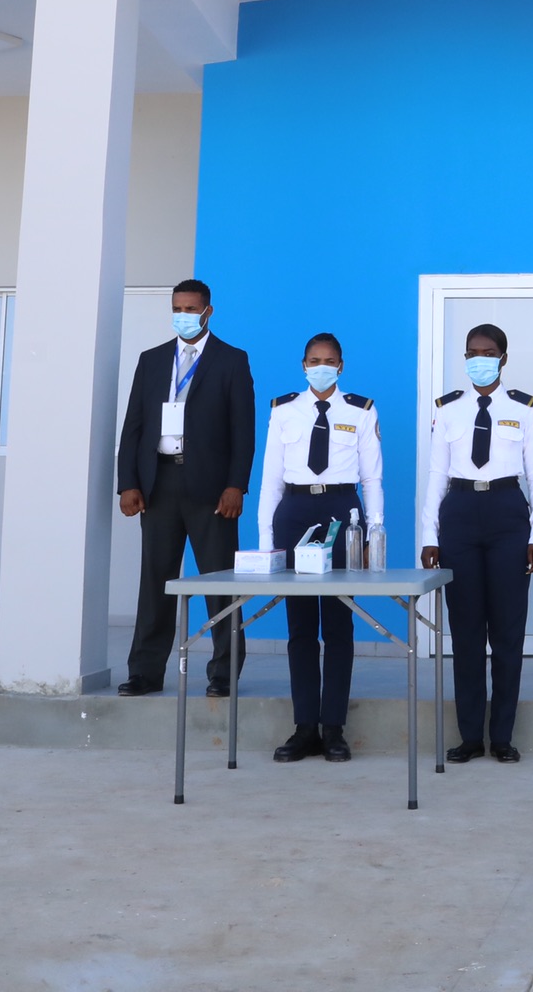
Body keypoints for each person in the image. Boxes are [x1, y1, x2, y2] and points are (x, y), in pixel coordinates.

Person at [116, 279, 255, 698]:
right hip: (158, 483)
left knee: (220, 583)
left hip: (212, 491)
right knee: (155, 582)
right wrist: (128, 483)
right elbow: (133, 426)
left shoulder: (232, 360)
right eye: (177, 308)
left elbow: (243, 432)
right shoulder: (152, 360)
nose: (184, 316)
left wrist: (236, 485)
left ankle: (223, 673)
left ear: (208, 312)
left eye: (191, 309)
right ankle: (144, 672)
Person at [420, 324, 533, 762]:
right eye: (473, 353)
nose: (480, 359)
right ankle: (470, 737)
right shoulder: (448, 409)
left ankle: (502, 736)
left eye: (489, 352)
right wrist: (429, 535)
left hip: (507, 513)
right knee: (467, 632)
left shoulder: (525, 409)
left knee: (508, 631)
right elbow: (436, 475)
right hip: (459, 513)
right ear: (465, 358)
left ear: (503, 359)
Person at [256, 333, 384, 763]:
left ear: (341, 366)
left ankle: (333, 728)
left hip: (341, 512)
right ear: (303, 365)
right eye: (314, 360)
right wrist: (266, 543)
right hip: (293, 512)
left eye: (329, 361)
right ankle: (304, 726)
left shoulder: (361, 410)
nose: (321, 367)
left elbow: (372, 478)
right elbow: (270, 478)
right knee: (300, 627)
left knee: (338, 624)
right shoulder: (283, 410)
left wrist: (373, 532)